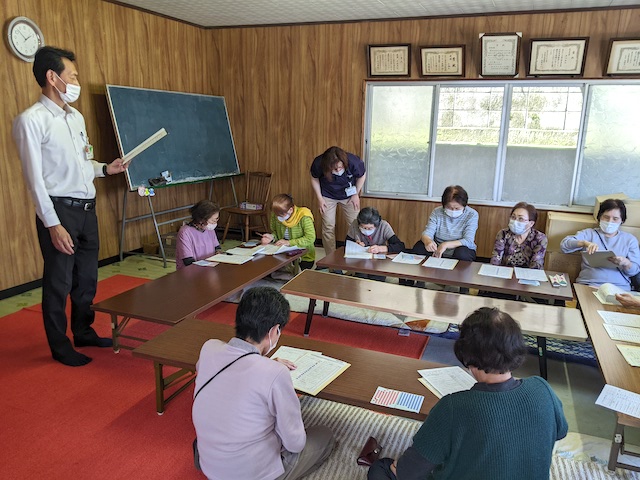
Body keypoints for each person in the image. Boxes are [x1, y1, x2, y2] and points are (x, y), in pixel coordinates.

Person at [12, 46, 127, 367]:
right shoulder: (30, 121)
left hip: (87, 208)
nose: (76, 81)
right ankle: (60, 346)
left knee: (87, 277)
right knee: (58, 282)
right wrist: (52, 224)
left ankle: (83, 330)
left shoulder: (75, 117)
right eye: (72, 75)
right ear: (52, 77)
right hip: (59, 212)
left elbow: (81, 163)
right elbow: (35, 180)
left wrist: (106, 168)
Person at [368, 307, 568, 480]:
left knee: (381, 469)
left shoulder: (453, 407)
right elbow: (561, 431)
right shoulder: (542, 388)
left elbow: (408, 473)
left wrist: (397, 467)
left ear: (466, 354)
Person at [192, 287, 335, 480]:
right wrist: (269, 368)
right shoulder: (275, 373)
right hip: (252, 473)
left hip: (209, 462)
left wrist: (265, 364)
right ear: (274, 331)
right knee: (324, 436)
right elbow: (295, 443)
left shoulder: (209, 347)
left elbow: (229, 375)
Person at [561, 199, 640, 290]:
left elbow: (634, 271)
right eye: (606, 217)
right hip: (588, 284)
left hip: (619, 288)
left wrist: (625, 263)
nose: (610, 222)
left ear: (622, 220)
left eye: (615, 219)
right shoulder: (589, 234)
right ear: (599, 217)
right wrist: (584, 243)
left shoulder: (630, 240)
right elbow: (564, 245)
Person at [310, 146, 366, 257]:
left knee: (355, 224)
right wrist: (320, 198)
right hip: (327, 195)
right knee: (328, 226)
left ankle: (357, 257)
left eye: (340, 167)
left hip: (349, 195)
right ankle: (330, 259)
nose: (338, 170)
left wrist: (356, 193)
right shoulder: (319, 163)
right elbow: (314, 178)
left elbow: (362, 175)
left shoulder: (353, 161)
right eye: (334, 169)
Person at [413, 185, 478, 261]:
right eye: (449, 208)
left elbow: (468, 240)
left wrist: (445, 245)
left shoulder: (472, 214)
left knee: (462, 253)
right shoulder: (437, 212)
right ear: (444, 205)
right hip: (437, 248)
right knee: (419, 247)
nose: (453, 211)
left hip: (459, 249)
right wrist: (428, 241)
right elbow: (427, 233)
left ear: (464, 205)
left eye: (457, 208)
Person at [346, 207, 405, 281]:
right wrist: (355, 244)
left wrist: (381, 248)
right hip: (361, 261)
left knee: (376, 280)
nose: (366, 230)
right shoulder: (355, 224)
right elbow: (347, 243)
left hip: (379, 263)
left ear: (377, 225)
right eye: (363, 227)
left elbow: (400, 246)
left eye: (370, 228)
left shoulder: (384, 226)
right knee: (360, 279)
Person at [260, 194, 316, 270]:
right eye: (276, 215)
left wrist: (289, 242)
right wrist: (271, 237)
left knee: (298, 274)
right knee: (265, 267)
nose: (278, 217)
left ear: (291, 210)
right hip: (283, 253)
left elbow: (310, 238)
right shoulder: (276, 215)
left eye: (281, 214)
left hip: (304, 256)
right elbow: (276, 233)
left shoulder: (304, 216)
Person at [490, 202, 547, 269]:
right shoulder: (503, 234)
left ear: (531, 223)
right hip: (504, 274)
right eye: (513, 217)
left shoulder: (540, 238)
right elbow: (495, 260)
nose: (515, 221)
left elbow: (536, 266)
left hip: (527, 276)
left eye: (521, 219)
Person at [175, 200, 221, 269]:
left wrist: (218, 253)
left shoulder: (209, 229)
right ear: (201, 220)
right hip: (191, 271)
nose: (215, 223)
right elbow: (188, 261)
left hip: (209, 268)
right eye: (213, 220)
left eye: (216, 220)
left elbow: (217, 247)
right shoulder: (185, 232)